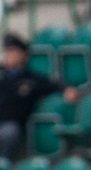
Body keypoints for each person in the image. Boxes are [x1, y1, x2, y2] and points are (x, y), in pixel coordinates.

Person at [0, 32, 78, 160]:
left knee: (9, 133)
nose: (9, 55)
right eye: (7, 51)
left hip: (11, 123)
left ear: (23, 54)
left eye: (13, 51)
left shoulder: (31, 79)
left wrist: (67, 89)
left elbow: (53, 84)